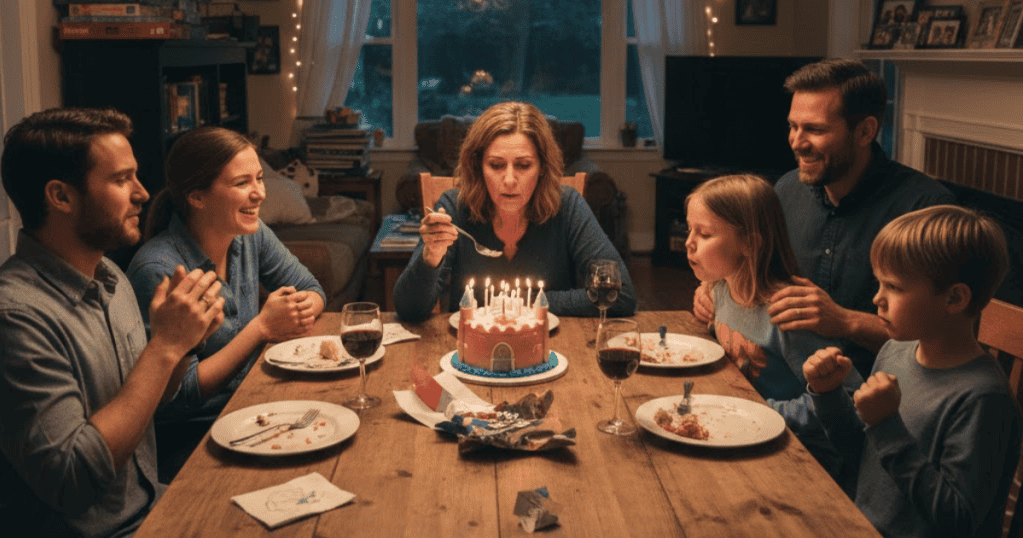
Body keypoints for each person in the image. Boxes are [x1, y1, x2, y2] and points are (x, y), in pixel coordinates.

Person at [0, 107, 224, 537]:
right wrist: (164, 348)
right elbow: (71, 480)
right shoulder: (16, 317)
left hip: (154, 505)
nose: (142, 193)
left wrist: (184, 344)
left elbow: (143, 403)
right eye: (122, 180)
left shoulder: (109, 276)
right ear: (61, 197)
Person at [693, 58, 955, 381]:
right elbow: (754, 268)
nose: (796, 141)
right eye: (793, 126)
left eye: (814, 129)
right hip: (779, 381)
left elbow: (946, 337)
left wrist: (846, 321)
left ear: (865, 131)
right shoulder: (787, 189)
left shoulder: (925, 209)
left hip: (879, 397)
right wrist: (712, 288)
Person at [804, 205, 1021, 538]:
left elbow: (959, 519)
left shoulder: (982, 397)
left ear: (954, 298)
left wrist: (887, 425)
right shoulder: (894, 352)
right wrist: (830, 395)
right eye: (879, 283)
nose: (877, 298)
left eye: (894, 287)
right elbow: (863, 458)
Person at [127, 126, 325, 479]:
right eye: (241, 183)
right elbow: (179, 397)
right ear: (197, 197)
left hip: (254, 408)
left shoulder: (251, 234)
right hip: (193, 441)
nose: (259, 193)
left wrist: (301, 307)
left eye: (260, 179)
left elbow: (311, 288)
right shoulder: (159, 270)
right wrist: (262, 328)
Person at [685, 174, 862, 488]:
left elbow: (848, 398)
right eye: (690, 229)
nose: (689, 242)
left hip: (804, 460)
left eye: (705, 233)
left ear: (749, 245)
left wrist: (759, 410)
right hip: (743, 436)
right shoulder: (722, 289)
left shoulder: (788, 314)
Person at [394, 101, 635, 321]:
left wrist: (520, 303)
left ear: (542, 167)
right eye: (496, 165)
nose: (509, 180)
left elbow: (621, 295)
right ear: (479, 166)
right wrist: (431, 258)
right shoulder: (454, 208)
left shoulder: (568, 206)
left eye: (523, 165)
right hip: (468, 353)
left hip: (552, 348)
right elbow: (408, 309)